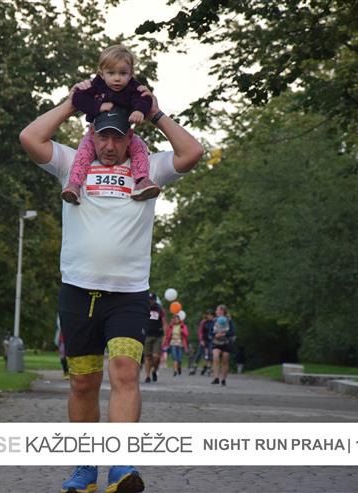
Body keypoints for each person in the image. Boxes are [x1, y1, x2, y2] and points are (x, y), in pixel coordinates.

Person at [19, 76, 203, 493]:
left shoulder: (148, 168)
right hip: (78, 291)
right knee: (83, 381)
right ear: (92, 134)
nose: (108, 144)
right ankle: (85, 469)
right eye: (102, 135)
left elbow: (192, 152)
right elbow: (30, 137)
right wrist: (73, 103)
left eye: (117, 137)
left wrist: (156, 114)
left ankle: (120, 466)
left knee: (124, 373)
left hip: (129, 294)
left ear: (129, 137)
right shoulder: (71, 164)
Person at [62, 44, 160, 205]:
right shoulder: (96, 85)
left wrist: (139, 110)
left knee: (140, 147)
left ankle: (142, 180)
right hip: (97, 130)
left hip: (124, 130)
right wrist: (97, 107)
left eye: (123, 73)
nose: (117, 78)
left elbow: (145, 99)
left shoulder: (133, 88)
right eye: (111, 73)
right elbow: (78, 98)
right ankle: (74, 184)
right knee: (83, 153)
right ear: (101, 73)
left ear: (131, 74)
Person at [211, 304, 236, 386]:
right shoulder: (214, 320)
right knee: (215, 357)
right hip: (216, 342)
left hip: (226, 342)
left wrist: (224, 334)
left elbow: (232, 332)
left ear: (223, 311)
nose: (218, 311)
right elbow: (210, 332)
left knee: (225, 360)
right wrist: (215, 335)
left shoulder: (229, 320)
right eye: (217, 310)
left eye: (220, 310)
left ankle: (223, 380)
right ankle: (216, 378)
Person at [143, 292, 165, 383]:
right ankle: (147, 376)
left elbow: (164, 322)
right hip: (147, 335)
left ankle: (154, 370)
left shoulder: (159, 309)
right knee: (147, 356)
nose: (150, 301)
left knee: (156, 357)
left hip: (158, 336)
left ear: (155, 300)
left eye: (152, 300)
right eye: (149, 300)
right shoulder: (144, 308)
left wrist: (165, 335)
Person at [189, 309, 214, 375]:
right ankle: (194, 367)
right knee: (199, 354)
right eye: (208, 315)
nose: (209, 316)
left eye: (211, 315)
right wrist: (201, 340)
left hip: (211, 340)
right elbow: (200, 331)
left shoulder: (214, 322)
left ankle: (208, 368)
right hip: (204, 340)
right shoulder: (203, 322)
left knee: (210, 354)